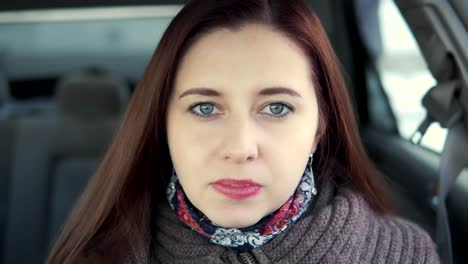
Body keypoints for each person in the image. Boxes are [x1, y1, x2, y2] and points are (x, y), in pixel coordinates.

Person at [47, 0, 440, 263]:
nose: (240, 148)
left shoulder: (404, 254)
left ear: (320, 127)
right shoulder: (99, 256)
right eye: (205, 108)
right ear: (163, 124)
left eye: (276, 108)